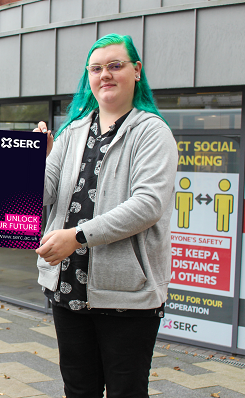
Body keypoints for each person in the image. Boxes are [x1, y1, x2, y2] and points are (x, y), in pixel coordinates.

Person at [33, 34, 178, 398]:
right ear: (89, 76)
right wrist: (31, 162)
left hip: (127, 295)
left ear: (136, 71)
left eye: (115, 66)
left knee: (126, 391)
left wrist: (76, 236)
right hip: (67, 288)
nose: (105, 75)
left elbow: (147, 205)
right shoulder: (72, 132)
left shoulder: (152, 132)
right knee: (78, 390)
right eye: (96, 68)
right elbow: (43, 194)